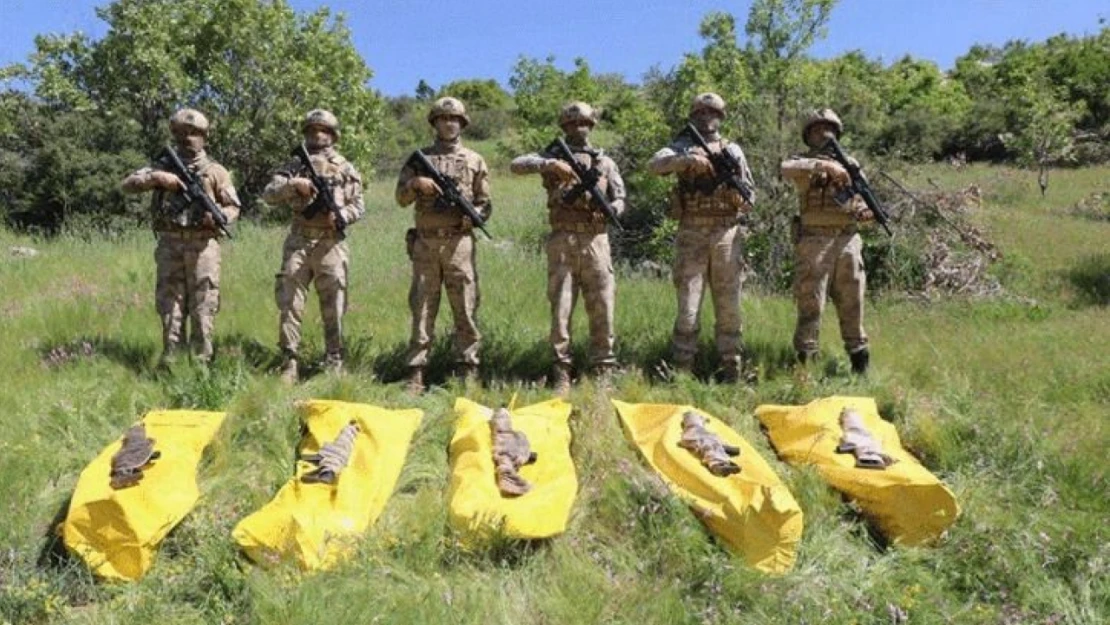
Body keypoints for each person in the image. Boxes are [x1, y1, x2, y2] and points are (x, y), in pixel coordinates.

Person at [509, 101, 626, 393]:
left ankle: (603, 370)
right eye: (572, 124)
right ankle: (561, 370)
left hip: (596, 239)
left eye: (584, 123)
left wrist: (612, 207)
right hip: (562, 238)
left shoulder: (604, 162)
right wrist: (548, 164)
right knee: (561, 307)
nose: (579, 128)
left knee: (603, 306)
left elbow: (621, 197)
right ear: (564, 127)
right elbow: (517, 165)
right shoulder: (551, 156)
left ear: (592, 125)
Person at [647, 92, 755, 383]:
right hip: (692, 231)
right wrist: (686, 160)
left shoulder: (732, 151)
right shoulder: (681, 146)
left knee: (729, 306)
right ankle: (682, 371)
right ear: (693, 116)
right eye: (701, 113)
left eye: (712, 113)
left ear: (720, 117)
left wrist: (736, 196)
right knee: (688, 307)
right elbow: (656, 165)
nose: (707, 118)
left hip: (725, 232)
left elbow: (750, 195)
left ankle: (731, 368)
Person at [121, 108, 240, 366]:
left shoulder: (215, 171)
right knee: (170, 303)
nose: (189, 138)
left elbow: (234, 207)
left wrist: (219, 216)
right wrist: (156, 178)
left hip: (203, 245)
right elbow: (127, 185)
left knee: (204, 304)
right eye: (182, 133)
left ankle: (201, 363)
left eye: (195, 133)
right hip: (170, 242)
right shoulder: (162, 166)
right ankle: (172, 360)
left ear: (205, 136)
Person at [395, 97, 491, 392]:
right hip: (425, 243)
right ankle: (417, 371)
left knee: (465, 304)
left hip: (458, 242)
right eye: (443, 118)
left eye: (454, 119)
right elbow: (400, 198)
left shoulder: (475, 160)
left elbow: (485, 203)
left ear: (462, 124)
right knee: (422, 305)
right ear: (434, 123)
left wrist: (473, 219)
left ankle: (467, 368)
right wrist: (415, 185)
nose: (449, 123)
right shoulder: (418, 159)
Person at [262, 109, 364, 383]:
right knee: (290, 302)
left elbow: (358, 205)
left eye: (323, 130)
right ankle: (289, 361)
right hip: (299, 240)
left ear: (333, 134)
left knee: (334, 303)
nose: (317, 134)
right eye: (312, 130)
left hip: (331, 242)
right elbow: (269, 194)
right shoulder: (294, 165)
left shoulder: (345, 167)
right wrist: (293, 185)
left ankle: (333, 359)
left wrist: (342, 216)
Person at [780, 108, 873, 374]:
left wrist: (865, 211)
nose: (824, 133)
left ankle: (859, 363)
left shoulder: (850, 163)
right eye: (817, 129)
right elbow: (786, 168)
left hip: (847, 239)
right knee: (811, 302)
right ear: (808, 135)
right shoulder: (803, 162)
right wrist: (823, 165)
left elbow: (863, 196)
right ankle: (805, 364)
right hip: (814, 240)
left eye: (829, 128)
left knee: (852, 301)